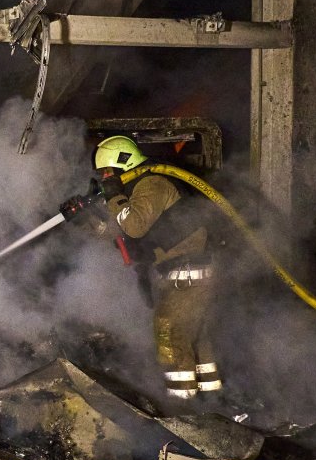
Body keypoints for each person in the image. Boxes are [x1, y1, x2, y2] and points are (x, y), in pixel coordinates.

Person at [94, 136, 222, 401]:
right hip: (187, 278)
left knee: (170, 336)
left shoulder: (152, 184)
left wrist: (114, 195)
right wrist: (87, 219)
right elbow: (118, 231)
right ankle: (212, 402)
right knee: (194, 339)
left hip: (185, 280)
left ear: (122, 163)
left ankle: (184, 409)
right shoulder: (141, 190)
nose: (105, 178)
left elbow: (135, 225)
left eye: (107, 173)